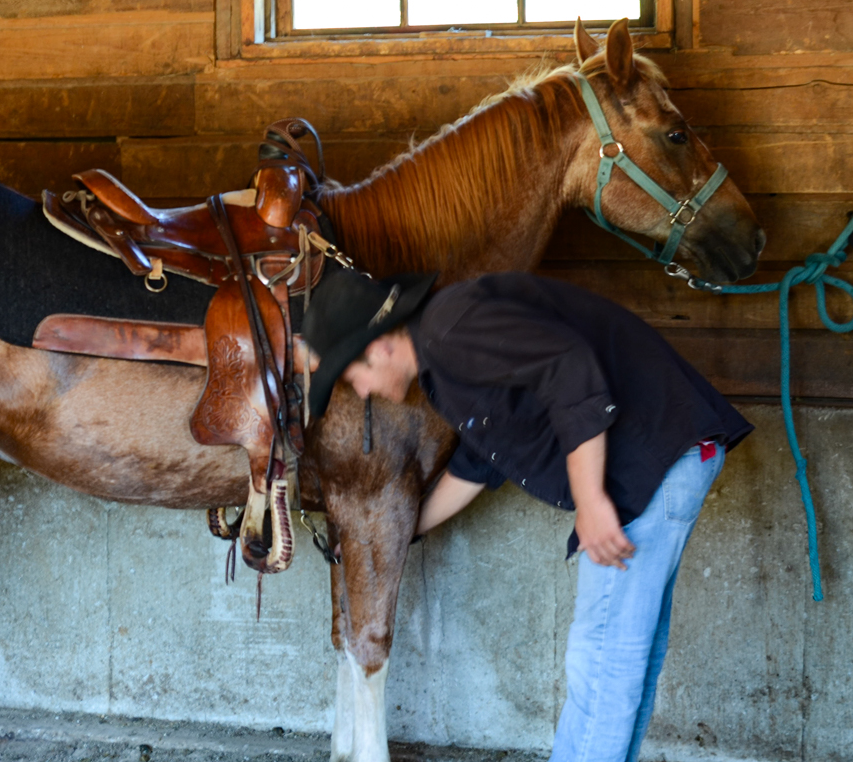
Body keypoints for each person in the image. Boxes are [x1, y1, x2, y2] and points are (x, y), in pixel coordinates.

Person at [301, 269, 752, 762]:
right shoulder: (443, 366)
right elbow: (477, 465)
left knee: (603, 663)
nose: (361, 391)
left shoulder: (449, 326)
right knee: (623, 661)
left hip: (648, 464)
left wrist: (592, 501)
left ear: (381, 344)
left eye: (353, 375)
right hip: (669, 460)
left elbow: (570, 368)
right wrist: (391, 537)